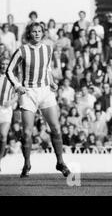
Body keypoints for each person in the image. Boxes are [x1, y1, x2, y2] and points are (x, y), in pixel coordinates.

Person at [6, 22, 71, 178]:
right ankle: (27, 163)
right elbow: (9, 70)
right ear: (29, 33)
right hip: (28, 93)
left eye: (39, 31)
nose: (36, 34)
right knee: (27, 132)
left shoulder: (48, 49)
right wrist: (17, 86)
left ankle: (60, 162)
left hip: (45, 92)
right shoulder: (22, 50)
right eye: (33, 31)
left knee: (56, 128)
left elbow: (47, 69)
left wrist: (52, 82)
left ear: (43, 33)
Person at [0, 58, 15, 171]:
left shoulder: (12, 78)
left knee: (3, 134)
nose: (4, 66)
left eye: (6, 64)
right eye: (3, 64)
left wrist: (12, 101)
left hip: (6, 110)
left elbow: (19, 93)